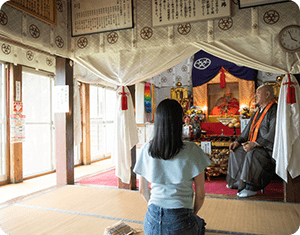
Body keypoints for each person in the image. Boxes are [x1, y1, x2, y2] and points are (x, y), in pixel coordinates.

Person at [133, 99, 211, 235]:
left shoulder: (146, 149)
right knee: (199, 224)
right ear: (180, 122)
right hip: (181, 218)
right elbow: (200, 195)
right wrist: (191, 214)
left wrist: (157, 213)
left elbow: (142, 190)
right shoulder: (192, 150)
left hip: (151, 221)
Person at [226, 84, 277, 197]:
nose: (255, 96)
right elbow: (247, 129)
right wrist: (238, 142)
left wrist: (255, 144)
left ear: (267, 94)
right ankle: (238, 181)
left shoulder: (274, 110)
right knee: (236, 151)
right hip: (254, 145)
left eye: (258, 93)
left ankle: (251, 187)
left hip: (267, 149)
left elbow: (273, 133)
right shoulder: (258, 112)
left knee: (252, 154)